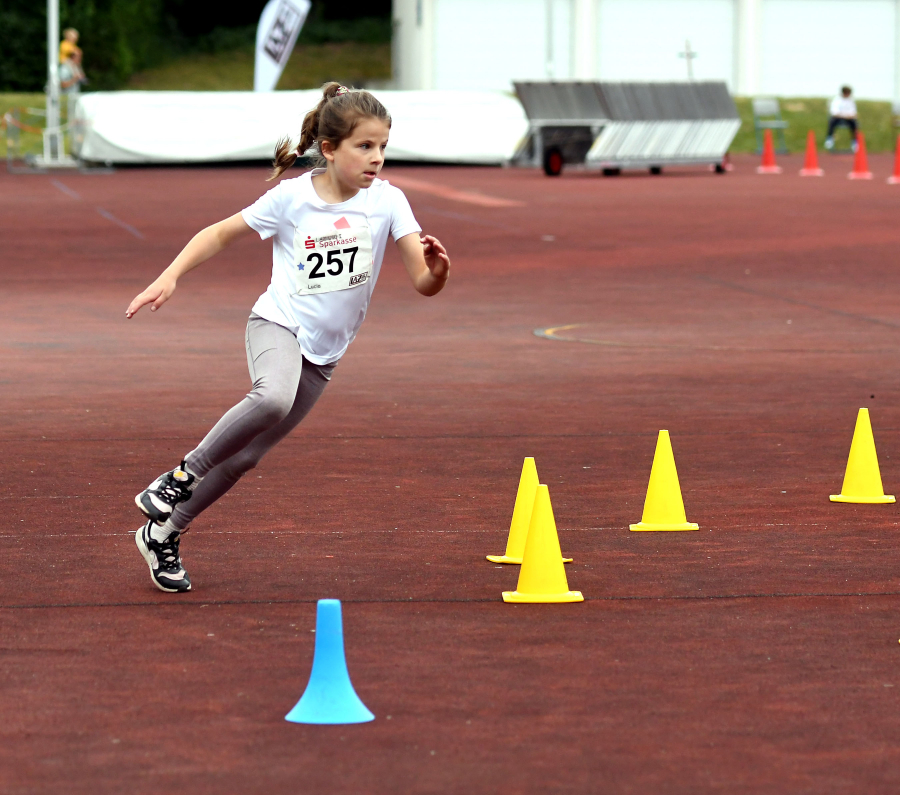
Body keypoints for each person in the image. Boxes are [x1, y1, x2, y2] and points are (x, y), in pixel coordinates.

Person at [125, 83, 451, 593]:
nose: (377, 158)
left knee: (247, 456)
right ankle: (180, 476)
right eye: (364, 147)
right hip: (278, 325)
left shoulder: (390, 203)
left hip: (325, 354)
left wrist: (439, 271)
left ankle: (163, 531)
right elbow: (218, 233)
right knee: (272, 398)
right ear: (329, 148)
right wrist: (171, 274)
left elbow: (423, 283)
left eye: (384, 146)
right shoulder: (292, 197)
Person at [825, 85, 858, 152]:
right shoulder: (837, 100)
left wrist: (849, 115)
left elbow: (853, 112)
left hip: (848, 119)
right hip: (838, 118)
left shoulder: (851, 101)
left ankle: (854, 142)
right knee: (832, 122)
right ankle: (829, 140)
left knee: (854, 123)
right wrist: (845, 115)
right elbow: (834, 112)